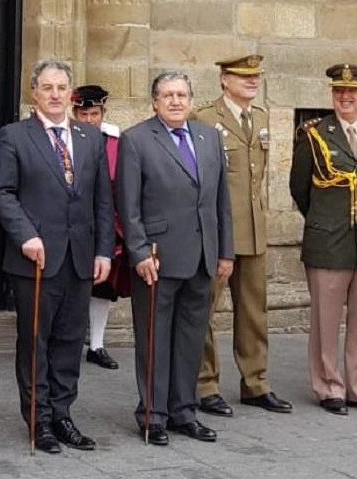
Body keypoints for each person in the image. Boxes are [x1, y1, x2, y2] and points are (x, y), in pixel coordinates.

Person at [0, 60, 114, 454]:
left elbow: (102, 200)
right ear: (34, 93)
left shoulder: (90, 138)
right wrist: (26, 235)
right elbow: (2, 193)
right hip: (35, 259)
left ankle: (63, 414)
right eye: (48, 87)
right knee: (36, 340)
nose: (56, 95)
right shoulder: (14, 136)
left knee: (68, 341)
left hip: (80, 258)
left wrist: (103, 251)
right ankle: (38, 419)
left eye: (62, 87)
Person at [117, 70, 234, 446]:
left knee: (190, 340)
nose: (175, 101)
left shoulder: (209, 138)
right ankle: (153, 415)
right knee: (154, 340)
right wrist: (137, 252)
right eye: (167, 95)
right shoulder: (136, 140)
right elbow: (127, 205)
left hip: (201, 258)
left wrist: (225, 252)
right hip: (156, 258)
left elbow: (221, 204)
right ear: (154, 101)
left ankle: (185, 411)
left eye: (182, 94)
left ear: (190, 99)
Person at [194, 55, 292, 417]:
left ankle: (255, 382)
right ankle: (205, 385)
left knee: (254, 312)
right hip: (219, 234)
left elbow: (259, 178)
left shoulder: (262, 117)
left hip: (253, 231)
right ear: (224, 79)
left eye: (256, 76)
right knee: (205, 310)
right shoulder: (204, 118)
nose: (252, 81)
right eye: (243, 76)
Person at [290, 63, 357, 416]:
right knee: (326, 319)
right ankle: (329, 385)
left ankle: (355, 384)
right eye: (339, 92)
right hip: (329, 241)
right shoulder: (315, 133)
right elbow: (299, 188)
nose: (345, 97)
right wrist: (323, 221)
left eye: (352, 92)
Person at [71, 84, 128, 371]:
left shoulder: (116, 141)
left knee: (102, 287)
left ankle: (97, 344)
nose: (90, 119)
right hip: (73, 223)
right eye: (84, 113)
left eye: (95, 113)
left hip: (106, 223)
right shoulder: (64, 137)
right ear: (74, 113)